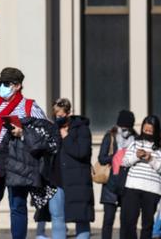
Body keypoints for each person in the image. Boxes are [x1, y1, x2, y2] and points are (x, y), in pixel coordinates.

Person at [0, 67, 48, 239]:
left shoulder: (29, 106)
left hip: (16, 165)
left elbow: (44, 134)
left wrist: (22, 133)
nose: (1, 87)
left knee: (17, 206)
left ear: (17, 85)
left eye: (6, 84)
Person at [48, 98, 94, 239]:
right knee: (57, 216)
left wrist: (66, 136)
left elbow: (81, 152)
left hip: (77, 181)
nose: (58, 118)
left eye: (61, 115)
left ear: (68, 113)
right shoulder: (53, 129)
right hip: (57, 179)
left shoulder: (82, 129)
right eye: (56, 115)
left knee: (81, 217)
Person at [120, 115, 161, 239]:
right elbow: (124, 162)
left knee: (147, 224)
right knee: (129, 222)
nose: (147, 133)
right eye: (145, 130)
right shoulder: (135, 143)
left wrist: (151, 159)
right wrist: (136, 156)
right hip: (132, 187)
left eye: (150, 131)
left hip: (152, 190)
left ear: (156, 131)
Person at [98, 110, 136, 239]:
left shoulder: (135, 138)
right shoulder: (110, 136)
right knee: (108, 219)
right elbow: (101, 158)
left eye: (127, 127)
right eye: (122, 127)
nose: (124, 130)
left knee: (125, 220)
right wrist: (116, 156)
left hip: (127, 183)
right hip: (111, 184)